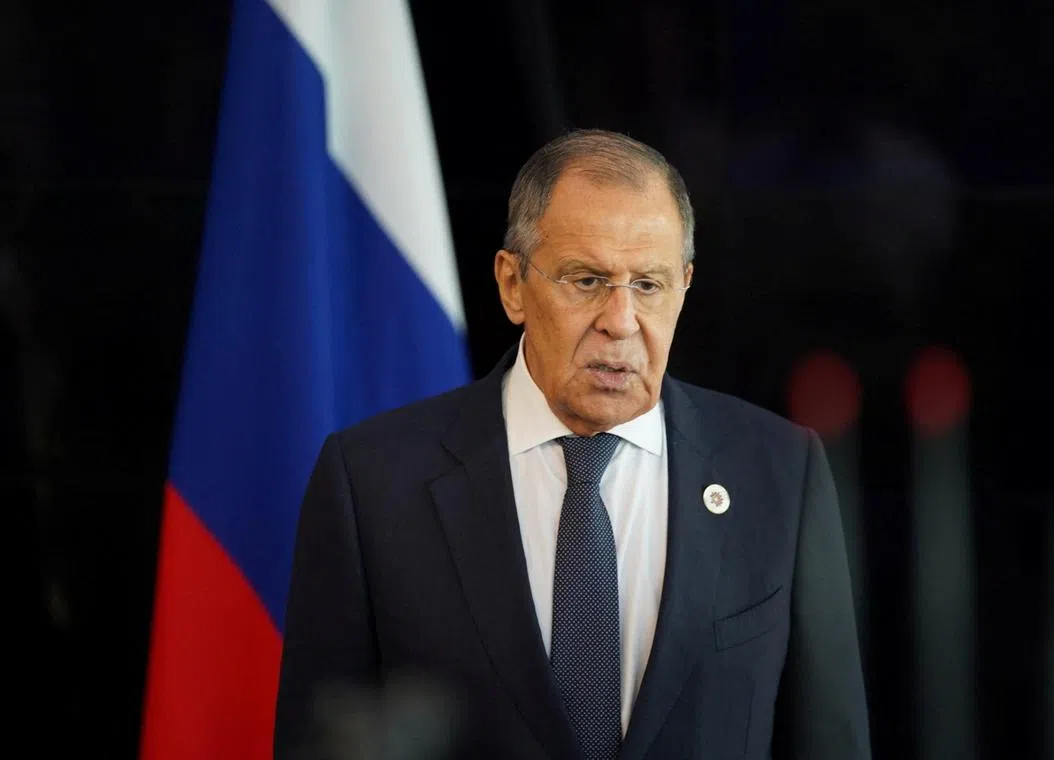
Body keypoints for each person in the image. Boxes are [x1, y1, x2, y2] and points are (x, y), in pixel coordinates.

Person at [274, 129, 871, 760]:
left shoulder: (779, 472)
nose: (620, 320)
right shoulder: (371, 481)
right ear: (512, 285)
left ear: (685, 286)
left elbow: (829, 737)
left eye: (649, 284)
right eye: (586, 280)